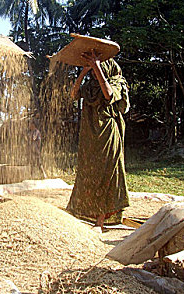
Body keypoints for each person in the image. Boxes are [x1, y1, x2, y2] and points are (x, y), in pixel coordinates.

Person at [67, 50, 130, 231]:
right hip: (90, 134)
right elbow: (73, 94)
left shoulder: (117, 80)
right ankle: (84, 213)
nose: (95, 74)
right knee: (88, 170)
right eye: (93, 72)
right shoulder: (90, 86)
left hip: (108, 133)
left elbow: (109, 95)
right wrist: (84, 71)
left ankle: (100, 221)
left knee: (106, 172)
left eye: (98, 69)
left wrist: (97, 66)